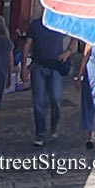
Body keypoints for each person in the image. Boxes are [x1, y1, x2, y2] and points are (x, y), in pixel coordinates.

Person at [22, 16, 71, 146]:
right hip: (38, 66)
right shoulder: (35, 24)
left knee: (56, 98)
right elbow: (27, 44)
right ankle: (40, 133)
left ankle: (54, 124)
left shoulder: (60, 22)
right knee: (38, 101)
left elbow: (75, 33)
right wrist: (23, 68)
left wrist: (68, 51)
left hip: (55, 67)